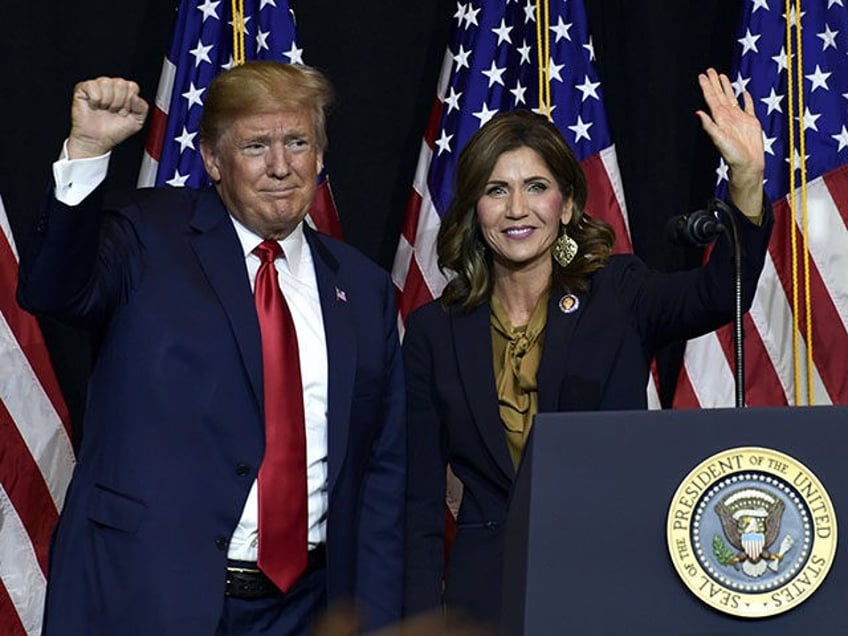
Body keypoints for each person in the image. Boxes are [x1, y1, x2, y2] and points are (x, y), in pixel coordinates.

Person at [17, 61, 405, 635]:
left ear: (320, 157)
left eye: (297, 142)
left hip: (307, 610)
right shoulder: (145, 233)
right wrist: (88, 151)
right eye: (255, 145)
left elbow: (381, 472)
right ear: (212, 161)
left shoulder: (364, 287)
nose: (280, 165)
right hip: (149, 596)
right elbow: (52, 289)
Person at [402, 68, 773, 623]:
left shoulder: (619, 293)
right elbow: (418, 504)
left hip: (607, 585)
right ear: (475, 210)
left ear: (568, 205)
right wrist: (420, 625)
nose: (517, 209)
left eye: (536, 188)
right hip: (484, 599)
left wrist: (745, 180)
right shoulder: (436, 329)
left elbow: (720, 293)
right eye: (496, 190)